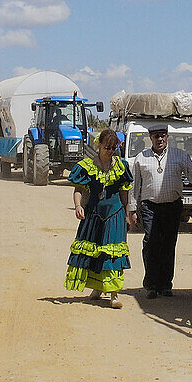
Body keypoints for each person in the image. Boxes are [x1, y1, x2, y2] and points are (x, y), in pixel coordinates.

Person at [65, 128, 132, 309]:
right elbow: (78, 190)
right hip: (93, 214)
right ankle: (97, 288)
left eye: (113, 148)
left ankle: (114, 295)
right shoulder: (86, 167)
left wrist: (127, 214)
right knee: (95, 251)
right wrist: (78, 206)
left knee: (112, 254)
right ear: (99, 145)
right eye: (107, 148)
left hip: (115, 215)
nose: (110, 152)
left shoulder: (121, 166)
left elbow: (124, 193)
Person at [126, 124, 192, 298]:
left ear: (167, 137)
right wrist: (132, 210)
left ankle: (165, 284)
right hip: (149, 207)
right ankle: (151, 284)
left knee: (168, 244)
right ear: (150, 138)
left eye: (163, 136)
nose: (160, 139)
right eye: (156, 136)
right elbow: (134, 187)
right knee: (151, 242)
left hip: (172, 206)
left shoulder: (180, 155)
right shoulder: (141, 158)